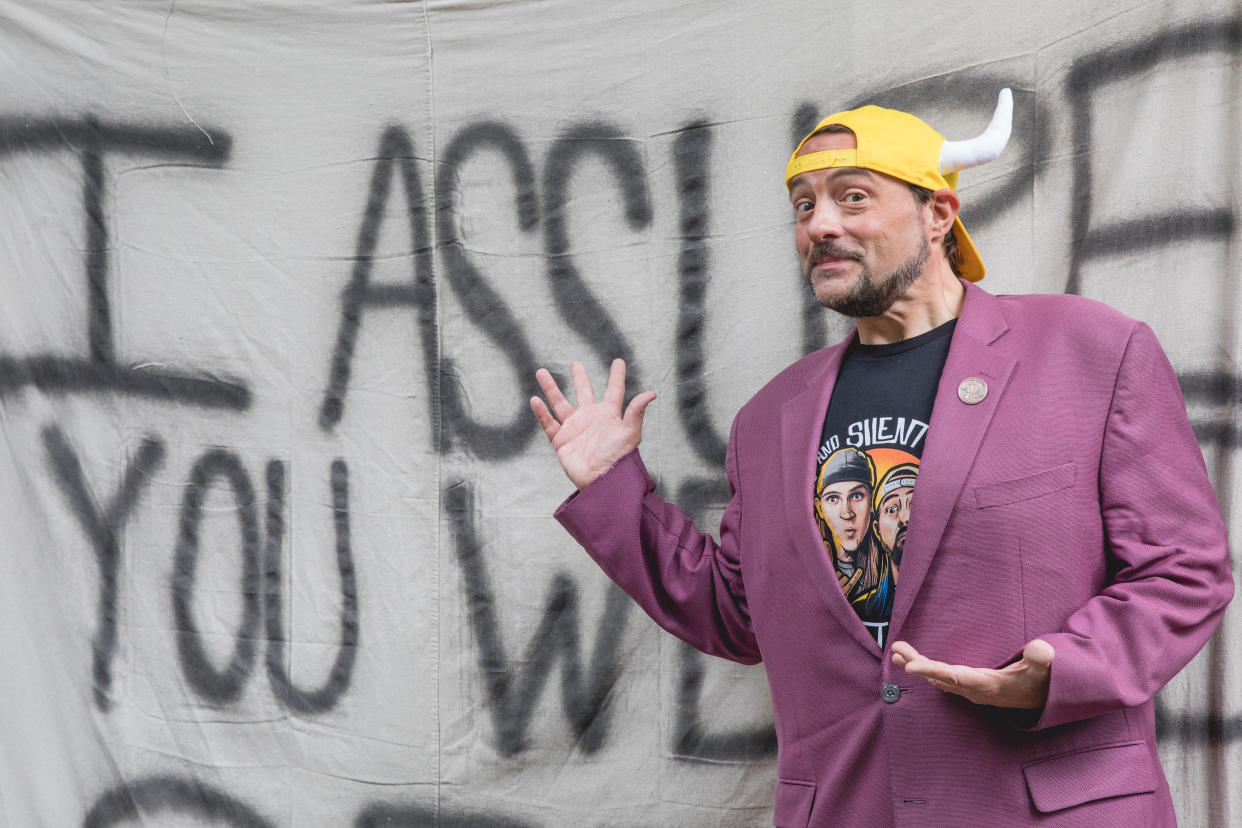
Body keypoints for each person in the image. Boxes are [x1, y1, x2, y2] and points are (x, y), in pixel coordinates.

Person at [529, 90, 1233, 825]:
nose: (820, 225)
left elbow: (1185, 569)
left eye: (852, 197)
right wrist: (612, 488)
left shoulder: (1089, 350)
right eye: (803, 207)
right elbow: (740, 616)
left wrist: (1063, 671)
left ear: (938, 214)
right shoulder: (770, 420)